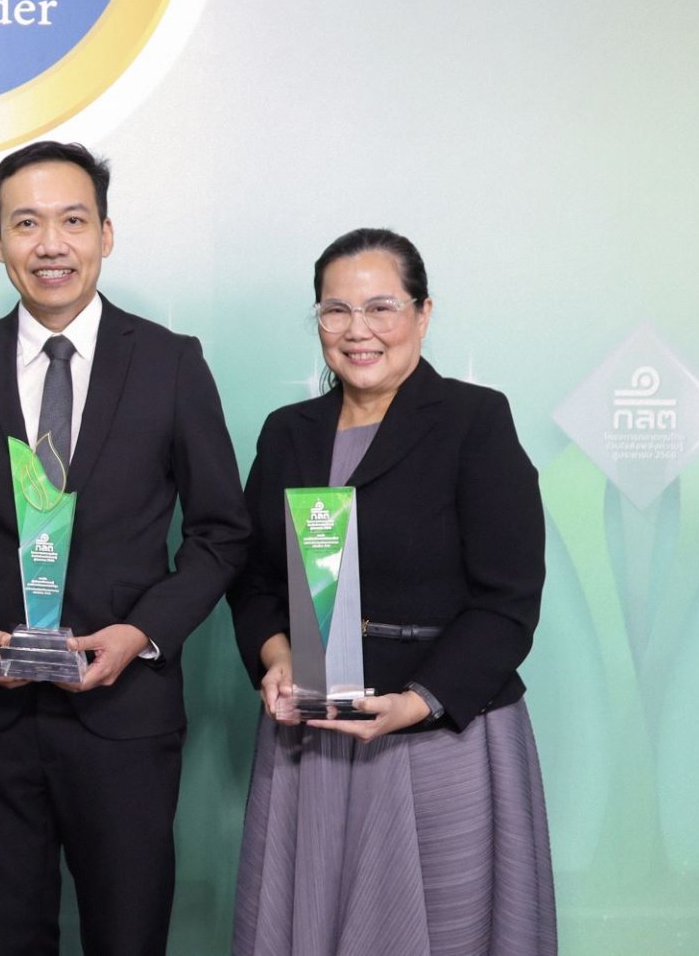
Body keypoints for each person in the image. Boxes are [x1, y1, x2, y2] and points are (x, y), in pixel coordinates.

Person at [0, 140, 253, 956]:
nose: (50, 243)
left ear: (106, 234)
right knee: (2, 938)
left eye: (73, 221)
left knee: (128, 936)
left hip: (124, 716)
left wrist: (143, 632)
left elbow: (221, 532)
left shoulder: (170, 363)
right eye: (26, 223)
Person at [227, 227, 555, 955]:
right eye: (335, 310)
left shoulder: (474, 420)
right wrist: (278, 657)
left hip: (441, 729)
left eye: (381, 307)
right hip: (312, 735)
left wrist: (417, 702)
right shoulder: (288, 433)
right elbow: (252, 578)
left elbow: (507, 600)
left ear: (423, 313)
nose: (358, 330)